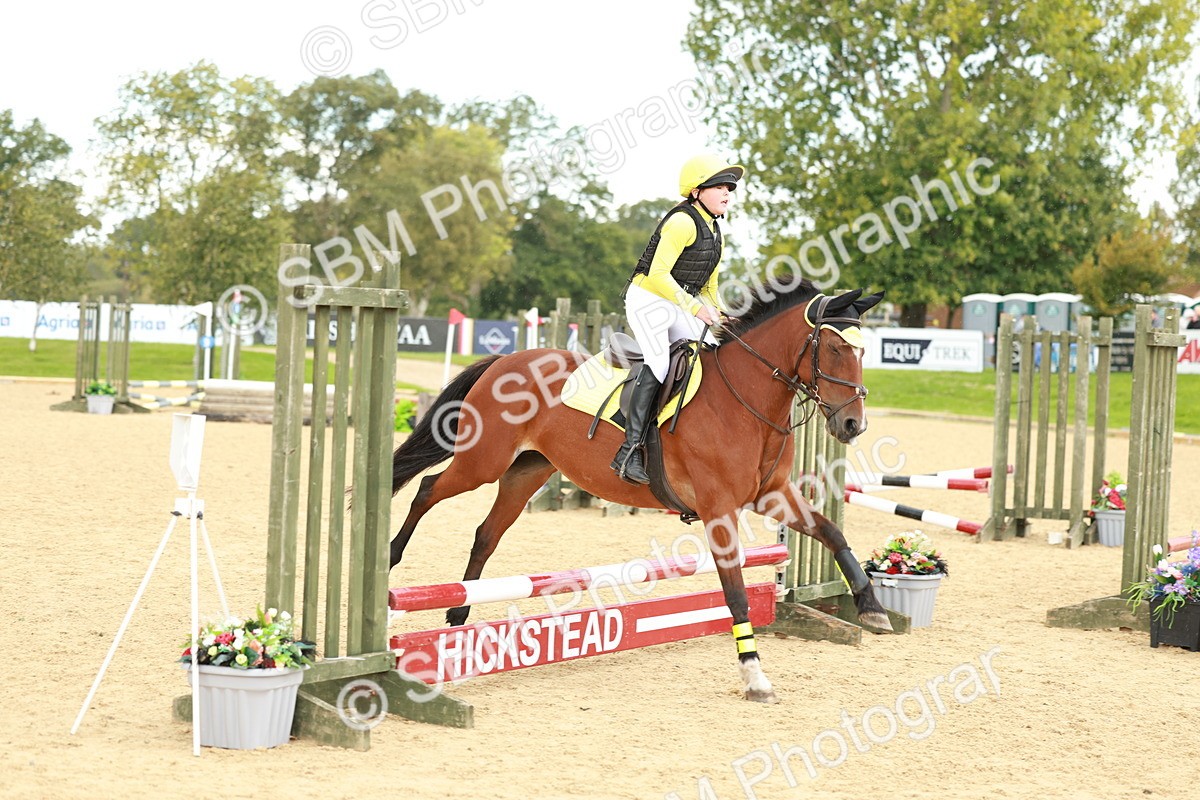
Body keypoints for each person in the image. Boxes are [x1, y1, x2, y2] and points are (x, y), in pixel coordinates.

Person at [611, 154, 743, 484]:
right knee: (658, 363)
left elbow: (709, 286)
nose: (727, 193)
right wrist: (697, 308)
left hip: (677, 303)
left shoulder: (717, 232)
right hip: (647, 298)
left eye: (730, 188)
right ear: (697, 191)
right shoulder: (682, 222)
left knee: (715, 353)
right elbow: (657, 274)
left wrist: (723, 315)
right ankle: (628, 451)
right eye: (720, 187)